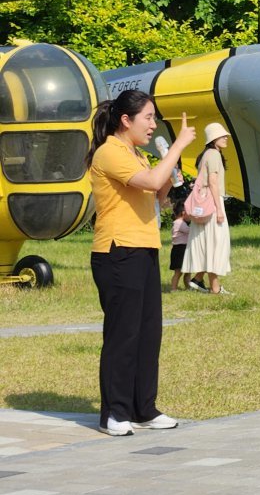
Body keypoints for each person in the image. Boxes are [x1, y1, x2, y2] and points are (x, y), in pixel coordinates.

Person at [86, 91, 195, 436]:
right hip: (118, 252)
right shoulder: (109, 152)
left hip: (145, 249)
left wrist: (169, 172)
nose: (152, 125)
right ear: (125, 120)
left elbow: (154, 194)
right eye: (147, 117)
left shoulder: (137, 155)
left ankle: (143, 408)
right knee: (123, 334)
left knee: (148, 334)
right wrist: (176, 146)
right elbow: (147, 182)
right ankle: (114, 413)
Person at [182, 123, 232, 295]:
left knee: (207, 242)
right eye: (222, 135)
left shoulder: (206, 155)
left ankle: (198, 279)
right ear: (214, 138)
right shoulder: (214, 155)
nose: (226, 138)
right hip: (212, 202)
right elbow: (213, 182)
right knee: (216, 243)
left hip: (203, 204)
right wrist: (219, 210)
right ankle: (215, 288)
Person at [167, 199, 191, 292]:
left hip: (182, 249)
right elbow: (190, 231)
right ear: (183, 212)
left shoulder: (179, 223)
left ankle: (188, 287)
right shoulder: (180, 223)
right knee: (178, 272)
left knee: (188, 270)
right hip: (180, 250)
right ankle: (173, 288)